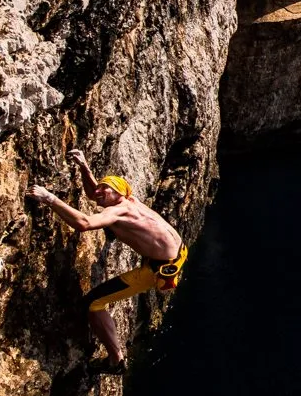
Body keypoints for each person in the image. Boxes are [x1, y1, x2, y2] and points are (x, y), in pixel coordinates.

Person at [27, 149, 187, 375]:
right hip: (177, 253)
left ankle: (116, 360)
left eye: (105, 188)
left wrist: (49, 198)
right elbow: (95, 194)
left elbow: (83, 223)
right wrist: (84, 167)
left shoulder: (118, 212)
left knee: (93, 303)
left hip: (157, 270)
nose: (99, 192)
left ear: (118, 193)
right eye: (100, 187)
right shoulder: (131, 200)